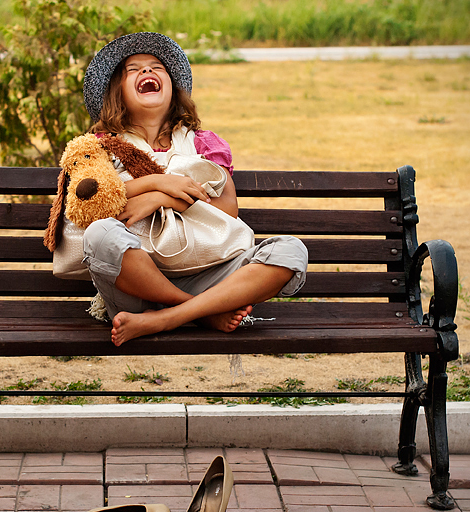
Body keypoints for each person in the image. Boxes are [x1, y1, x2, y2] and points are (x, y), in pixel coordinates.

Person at [80, 32, 308, 346]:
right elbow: (95, 205)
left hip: (211, 274)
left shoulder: (202, 144)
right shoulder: (103, 147)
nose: (147, 72)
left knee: (290, 252)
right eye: (133, 70)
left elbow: (228, 210)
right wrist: (159, 182)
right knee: (99, 235)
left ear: (174, 88)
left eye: (157, 67)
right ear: (116, 92)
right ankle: (199, 312)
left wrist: (162, 199)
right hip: (135, 285)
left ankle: (167, 317)